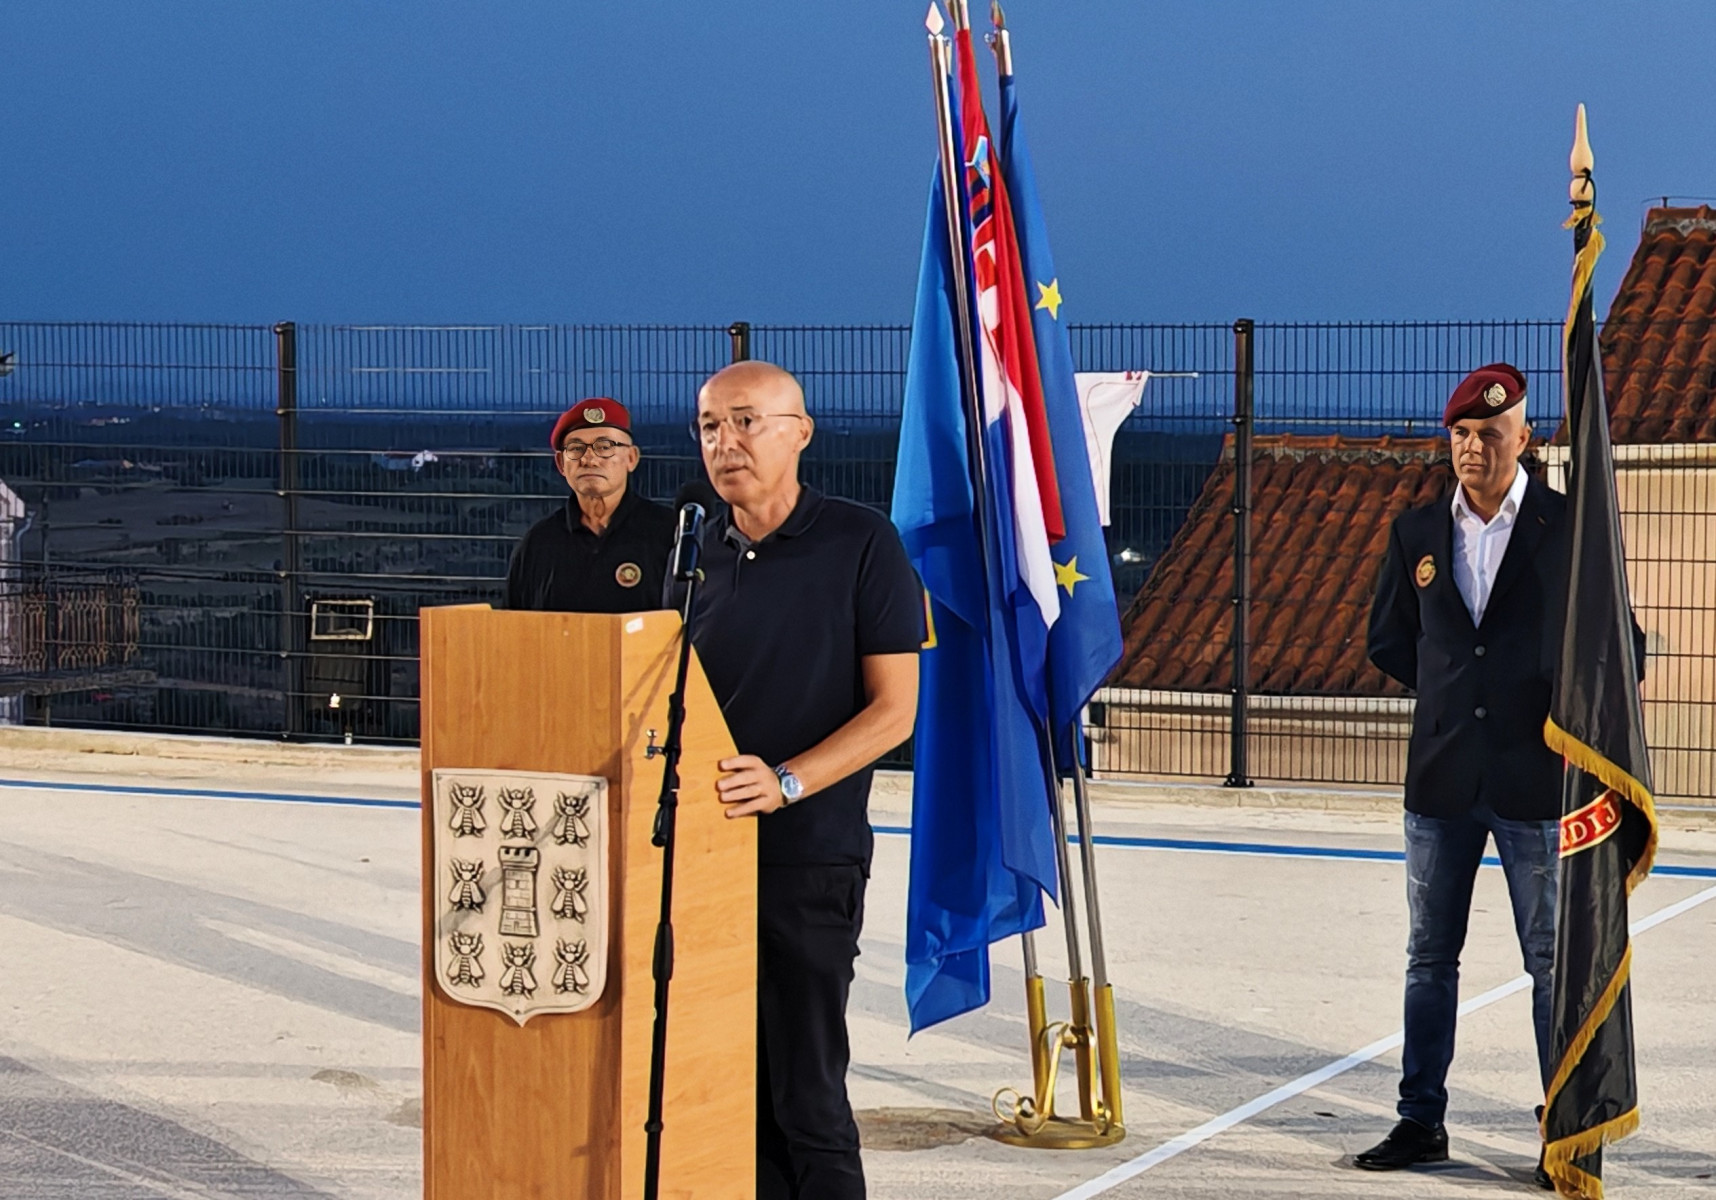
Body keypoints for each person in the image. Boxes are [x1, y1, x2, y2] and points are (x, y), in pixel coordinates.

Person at [1362, 363, 1641, 1188]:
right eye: (1461, 434)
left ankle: (1565, 1131)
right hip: (1442, 778)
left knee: (1551, 963)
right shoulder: (1416, 532)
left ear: (1524, 437)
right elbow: (1390, 641)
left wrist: (1555, 713)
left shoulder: (1570, 528)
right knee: (1428, 959)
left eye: (1489, 433)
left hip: (1537, 780)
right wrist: (1457, 699)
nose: (1473, 447)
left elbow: (1619, 646)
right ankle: (1420, 1120)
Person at [685, 360, 922, 1200]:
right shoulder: (688, 553)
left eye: (746, 421)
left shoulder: (860, 542)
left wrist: (786, 782)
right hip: (695, 858)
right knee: (726, 1090)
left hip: (808, 855)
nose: (726, 442)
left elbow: (896, 711)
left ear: (800, 432)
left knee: (806, 1092)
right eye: (710, 426)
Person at [505, 396, 675, 613]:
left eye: (604, 447)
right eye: (576, 449)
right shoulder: (537, 545)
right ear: (561, 464)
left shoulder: (669, 535)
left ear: (631, 458)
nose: (589, 459)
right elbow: (512, 626)